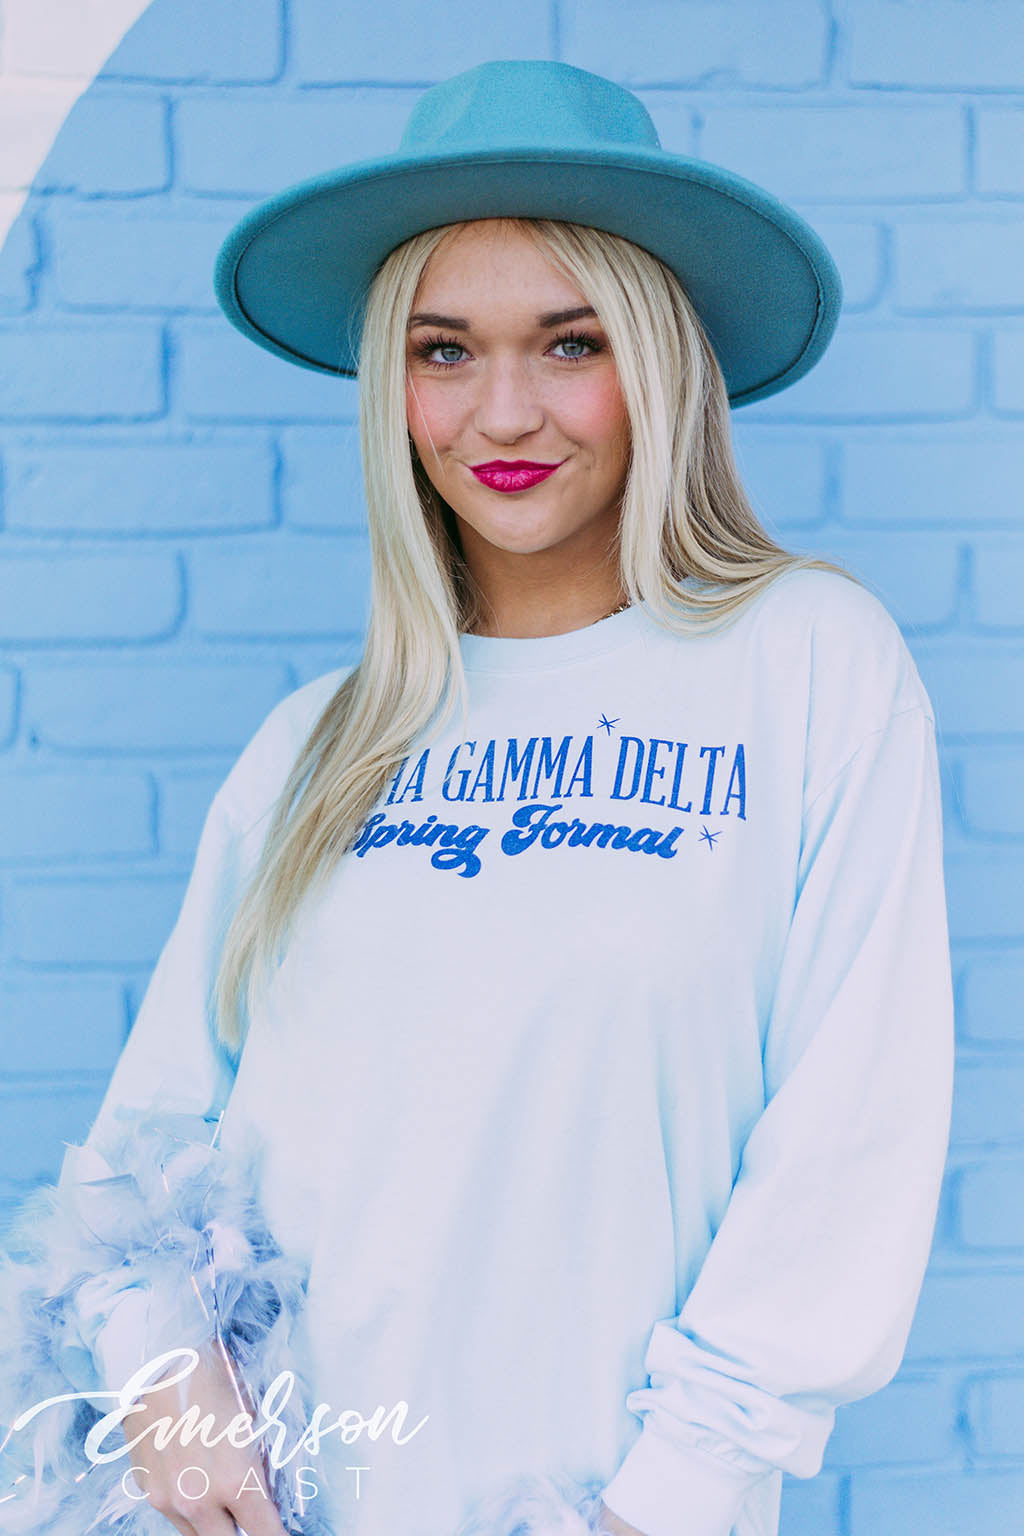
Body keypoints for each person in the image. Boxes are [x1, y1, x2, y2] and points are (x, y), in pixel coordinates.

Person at [0, 58, 954, 1536]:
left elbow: (848, 1142)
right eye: (443, 352)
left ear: (659, 364)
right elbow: (151, 1139)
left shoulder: (808, 664)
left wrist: (666, 1502)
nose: (502, 413)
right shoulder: (313, 749)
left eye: (570, 344)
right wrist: (167, 1382)